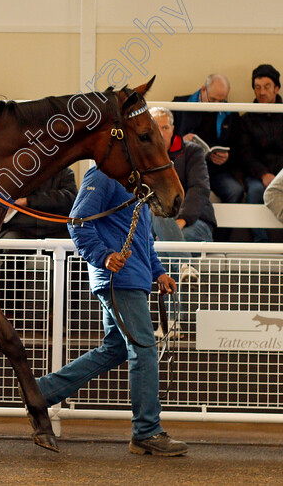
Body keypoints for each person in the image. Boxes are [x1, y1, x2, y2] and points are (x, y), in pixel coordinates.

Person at [36, 166, 188, 457]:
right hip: (120, 279)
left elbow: (143, 239)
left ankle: (42, 391)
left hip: (128, 278)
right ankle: (146, 431)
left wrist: (158, 273)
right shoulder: (102, 176)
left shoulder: (134, 183)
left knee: (115, 349)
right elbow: (77, 222)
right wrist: (104, 256)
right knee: (144, 349)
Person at [171, 74, 242, 204]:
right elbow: (164, 141)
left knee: (235, 191)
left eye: (221, 101)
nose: (216, 105)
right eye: (213, 99)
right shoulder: (180, 105)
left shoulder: (231, 113)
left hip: (215, 171)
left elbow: (238, 148)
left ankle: (226, 225)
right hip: (185, 168)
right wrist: (181, 141)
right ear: (203, 90)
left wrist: (227, 157)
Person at [150, 107, 216, 244]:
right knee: (154, 238)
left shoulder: (192, 151)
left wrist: (182, 220)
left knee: (164, 243)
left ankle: (182, 265)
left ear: (173, 130)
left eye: (165, 128)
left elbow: (199, 188)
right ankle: (184, 266)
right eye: (156, 128)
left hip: (195, 222)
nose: (161, 134)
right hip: (154, 225)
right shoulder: (142, 156)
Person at [236, 64, 283, 242]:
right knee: (255, 192)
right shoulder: (246, 120)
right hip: (257, 175)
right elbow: (245, 154)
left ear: (276, 88)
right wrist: (263, 174)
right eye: (257, 87)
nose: (262, 92)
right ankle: (260, 241)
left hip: (282, 174)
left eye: (267, 87)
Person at [0, 167, 77, 240]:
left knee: (74, 242)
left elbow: (70, 199)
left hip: (56, 229)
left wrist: (27, 201)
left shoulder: (65, 173)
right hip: (20, 228)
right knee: (11, 242)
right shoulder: (16, 173)